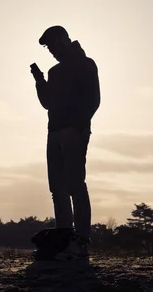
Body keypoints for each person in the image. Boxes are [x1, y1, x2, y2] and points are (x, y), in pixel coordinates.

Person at [30, 25, 100, 260]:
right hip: (54, 132)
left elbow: (93, 99)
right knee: (57, 187)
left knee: (75, 185)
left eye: (51, 45)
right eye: (48, 47)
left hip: (74, 132)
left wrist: (78, 126)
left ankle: (80, 240)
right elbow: (48, 103)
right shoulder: (54, 72)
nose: (50, 51)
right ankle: (64, 238)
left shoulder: (86, 64)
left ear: (62, 39)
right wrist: (40, 80)